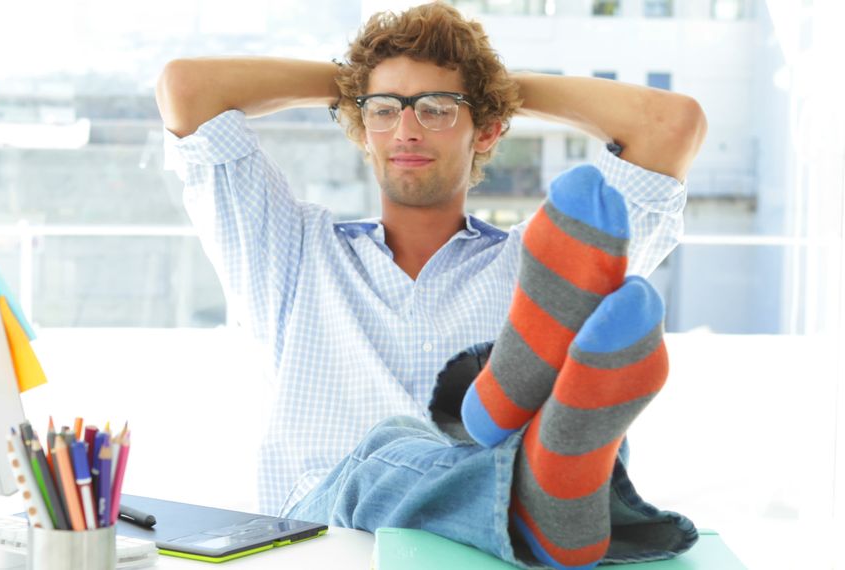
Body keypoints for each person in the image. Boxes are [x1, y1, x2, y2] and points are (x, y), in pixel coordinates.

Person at [156, 3, 707, 568]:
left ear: (487, 130)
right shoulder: (291, 251)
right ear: (362, 130)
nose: (408, 129)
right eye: (385, 111)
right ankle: (539, 476)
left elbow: (669, 125)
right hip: (330, 530)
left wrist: (492, 86)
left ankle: (539, 475)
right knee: (383, 453)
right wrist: (355, 83)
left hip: (503, 537)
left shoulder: (544, 265)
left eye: (439, 109)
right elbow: (189, 87)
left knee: (451, 441)